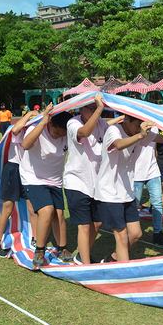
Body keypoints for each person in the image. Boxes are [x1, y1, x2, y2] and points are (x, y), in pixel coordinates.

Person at [94, 114, 163, 263]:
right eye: (136, 126)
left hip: (126, 192)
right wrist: (141, 135)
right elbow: (119, 144)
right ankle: (124, 276)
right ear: (126, 119)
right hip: (109, 192)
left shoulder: (140, 133)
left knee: (135, 234)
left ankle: (112, 259)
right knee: (121, 237)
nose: (138, 130)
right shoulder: (114, 130)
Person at [22, 104, 74, 268]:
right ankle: (39, 250)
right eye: (57, 132)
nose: (59, 136)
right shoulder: (38, 129)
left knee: (59, 215)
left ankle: (62, 249)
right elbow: (25, 145)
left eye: (62, 134)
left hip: (55, 180)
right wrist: (43, 122)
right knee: (46, 210)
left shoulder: (65, 134)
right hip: (34, 178)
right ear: (50, 124)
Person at [63, 95, 107, 265]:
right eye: (92, 107)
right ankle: (86, 266)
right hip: (76, 181)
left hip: (95, 182)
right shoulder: (73, 123)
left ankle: (82, 256)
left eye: (96, 107)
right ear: (81, 109)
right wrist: (99, 110)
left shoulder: (102, 123)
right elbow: (85, 132)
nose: (96, 110)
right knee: (84, 226)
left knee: (97, 223)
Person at [0, 109, 40, 258]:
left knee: (33, 208)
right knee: (7, 208)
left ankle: (35, 239)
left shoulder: (37, 130)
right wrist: (28, 115)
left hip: (28, 172)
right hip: (13, 170)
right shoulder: (19, 128)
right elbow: (14, 129)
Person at [134, 129, 163, 248]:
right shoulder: (135, 126)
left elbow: (155, 148)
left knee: (157, 203)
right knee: (133, 205)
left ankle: (158, 233)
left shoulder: (154, 128)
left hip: (153, 172)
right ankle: (131, 232)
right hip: (136, 172)